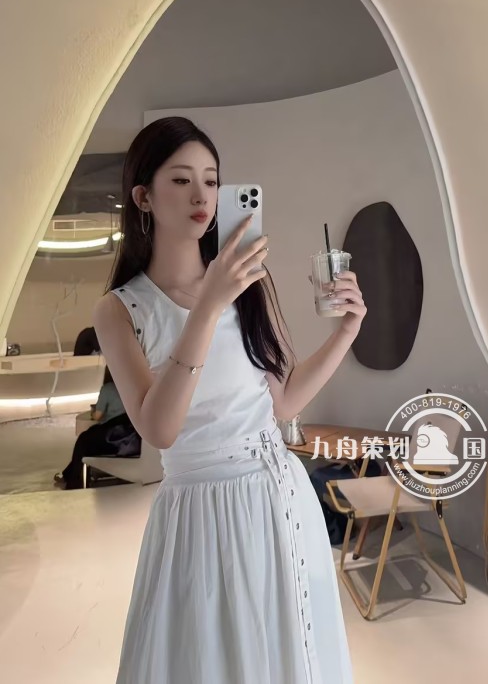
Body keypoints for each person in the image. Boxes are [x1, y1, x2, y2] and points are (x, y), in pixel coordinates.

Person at [93, 116, 367, 684]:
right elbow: (158, 429)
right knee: (214, 660)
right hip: (201, 512)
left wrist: (346, 332)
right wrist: (208, 306)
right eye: (181, 180)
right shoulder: (121, 309)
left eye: (212, 181)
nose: (202, 196)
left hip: (279, 497)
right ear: (143, 197)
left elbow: (283, 403)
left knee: (290, 656)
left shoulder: (248, 285)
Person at [54, 328, 140, 489]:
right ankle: (68, 473)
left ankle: (73, 479)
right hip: (134, 437)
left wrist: (94, 412)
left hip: (114, 437)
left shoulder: (108, 389)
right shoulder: (134, 386)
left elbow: (98, 416)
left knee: (84, 440)